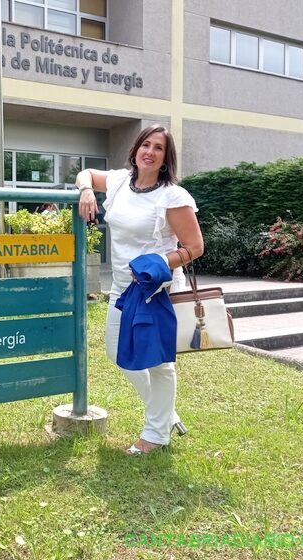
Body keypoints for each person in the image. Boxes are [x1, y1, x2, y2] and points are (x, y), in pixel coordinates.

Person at [76, 124, 203, 456]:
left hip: (153, 291)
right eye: (145, 144)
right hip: (120, 288)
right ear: (135, 150)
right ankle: (165, 413)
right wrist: (87, 190)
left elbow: (195, 246)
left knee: (159, 363)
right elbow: (86, 172)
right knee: (119, 355)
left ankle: (156, 433)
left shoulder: (172, 196)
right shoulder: (120, 181)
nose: (150, 151)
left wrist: (159, 262)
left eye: (158, 148)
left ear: (165, 158)